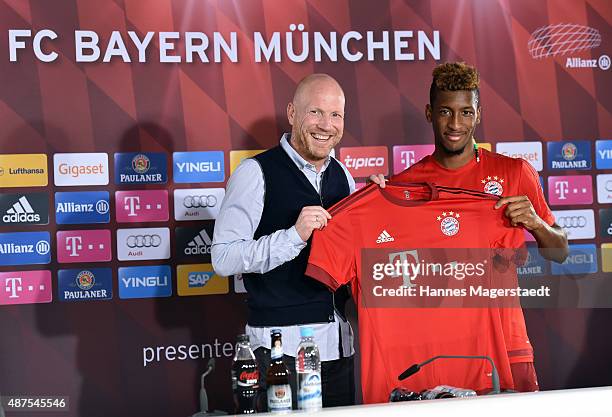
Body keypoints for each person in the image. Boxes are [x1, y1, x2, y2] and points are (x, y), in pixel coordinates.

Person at [392, 61, 569, 391]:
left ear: (479, 114)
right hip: (438, 351)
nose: (456, 124)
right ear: (430, 113)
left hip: (507, 342)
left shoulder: (515, 173)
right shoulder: (405, 185)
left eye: (466, 112)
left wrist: (535, 223)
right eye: (446, 112)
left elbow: (560, 252)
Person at [212, 74, 370, 408]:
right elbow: (223, 258)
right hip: (278, 353)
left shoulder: (343, 176)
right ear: (292, 113)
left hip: (337, 352)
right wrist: (293, 237)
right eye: (315, 112)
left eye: (336, 115)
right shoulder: (255, 173)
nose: (326, 125)